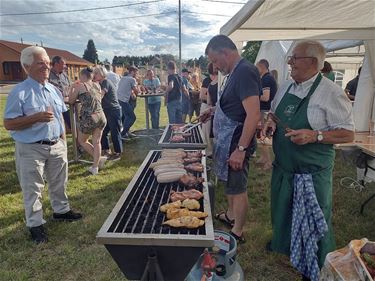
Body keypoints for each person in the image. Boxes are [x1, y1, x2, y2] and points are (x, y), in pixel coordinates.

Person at [262, 40, 354, 281]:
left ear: (312, 62)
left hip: (311, 173)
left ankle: (318, 269)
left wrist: (316, 135)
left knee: (315, 222)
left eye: (295, 57)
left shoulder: (331, 93)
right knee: (285, 213)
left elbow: (348, 133)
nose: (289, 61)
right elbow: (273, 113)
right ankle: (291, 250)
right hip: (284, 168)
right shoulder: (285, 87)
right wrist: (271, 123)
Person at [3, 46, 82, 244]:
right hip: (31, 148)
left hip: (56, 144)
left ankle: (61, 210)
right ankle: (35, 224)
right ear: (27, 66)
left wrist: (63, 140)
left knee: (59, 181)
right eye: (41, 63)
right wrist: (35, 118)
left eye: (47, 62)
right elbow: (9, 123)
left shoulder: (53, 89)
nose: (46, 66)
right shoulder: (19, 92)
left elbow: (59, 116)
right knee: (33, 187)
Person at [201, 35, 261, 244]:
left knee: (238, 188)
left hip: (236, 143)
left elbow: (253, 114)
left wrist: (241, 149)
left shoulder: (245, 71)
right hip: (227, 142)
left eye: (215, 60)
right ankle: (230, 215)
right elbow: (234, 106)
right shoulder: (234, 72)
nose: (214, 66)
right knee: (228, 184)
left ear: (225, 52)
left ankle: (237, 231)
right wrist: (213, 110)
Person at [69, 67, 107, 175]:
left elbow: (71, 100)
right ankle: (96, 165)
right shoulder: (97, 85)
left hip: (89, 117)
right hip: (101, 115)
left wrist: (72, 86)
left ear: (82, 76)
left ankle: (97, 162)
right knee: (97, 142)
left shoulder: (80, 86)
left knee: (82, 141)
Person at [93, 66, 123, 161]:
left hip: (113, 110)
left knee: (115, 132)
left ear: (101, 74)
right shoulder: (100, 83)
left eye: (96, 73)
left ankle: (118, 153)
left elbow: (101, 94)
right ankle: (106, 150)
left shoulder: (105, 82)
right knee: (104, 131)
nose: (94, 75)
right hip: (107, 110)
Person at [256, 59, 278, 170]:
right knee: (260, 135)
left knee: (262, 135)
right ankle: (264, 157)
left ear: (262, 66)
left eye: (257, 67)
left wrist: (253, 96)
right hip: (265, 111)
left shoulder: (266, 79)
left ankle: (268, 162)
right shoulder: (266, 78)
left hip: (265, 111)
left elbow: (265, 97)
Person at [49, 55, 71, 131]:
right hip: (54, 107)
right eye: (63, 64)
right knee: (56, 127)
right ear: (56, 64)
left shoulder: (64, 75)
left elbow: (70, 86)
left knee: (72, 125)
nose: (65, 66)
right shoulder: (48, 75)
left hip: (67, 106)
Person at [117, 66, 140, 138]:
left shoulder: (123, 78)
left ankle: (126, 132)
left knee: (127, 117)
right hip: (124, 100)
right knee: (132, 117)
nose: (137, 74)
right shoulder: (132, 79)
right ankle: (122, 134)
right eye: (136, 72)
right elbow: (136, 91)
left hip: (119, 99)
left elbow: (125, 88)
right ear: (132, 72)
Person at [205, 63, 218, 156]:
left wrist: (209, 111)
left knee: (214, 136)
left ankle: (214, 155)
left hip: (214, 114)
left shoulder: (210, 85)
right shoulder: (224, 83)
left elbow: (209, 103)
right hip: (222, 115)